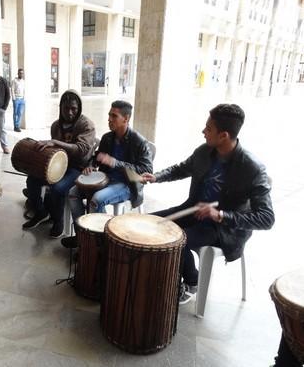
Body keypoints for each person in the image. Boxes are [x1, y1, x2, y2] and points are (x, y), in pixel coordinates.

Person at [140, 104, 275, 304]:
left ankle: (192, 281)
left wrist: (221, 215)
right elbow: (181, 169)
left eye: (208, 128)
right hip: (194, 211)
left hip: (223, 229)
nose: (203, 131)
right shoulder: (205, 152)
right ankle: (166, 272)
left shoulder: (252, 169)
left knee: (177, 239)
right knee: (149, 222)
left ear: (224, 136)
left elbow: (266, 218)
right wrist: (156, 177)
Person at [61, 100, 153, 248]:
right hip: (106, 179)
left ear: (126, 118)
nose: (109, 119)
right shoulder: (107, 137)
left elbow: (146, 170)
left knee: (97, 200)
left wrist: (116, 162)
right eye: (109, 115)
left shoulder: (139, 142)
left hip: (127, 184)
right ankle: (82, 237)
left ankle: (100, 246)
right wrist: (90, 166)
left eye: (114, 116)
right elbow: (96, 157)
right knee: (73, 193)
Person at [22, 90, 96, 238]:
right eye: (66, 108)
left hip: (78, 167)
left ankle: (58, 220)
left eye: (73, 109)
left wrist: (55, 142)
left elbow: (81, 150)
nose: (69, 112)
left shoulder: (86, 124)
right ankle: (41, 211)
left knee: (57, 188)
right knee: (32, 179)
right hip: (58, 164)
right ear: (60, 107)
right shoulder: (56, 125)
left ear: (79, 108)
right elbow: (55, 150)